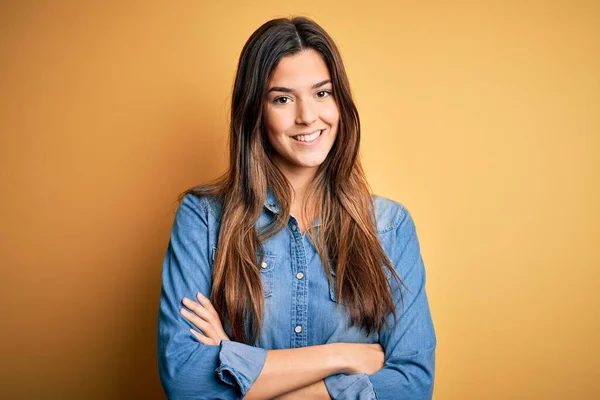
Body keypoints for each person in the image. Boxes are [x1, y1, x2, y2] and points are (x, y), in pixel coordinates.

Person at [157, 16, 436, 400]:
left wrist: (238, 366)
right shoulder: (204, 218)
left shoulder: (389, 226)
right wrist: (343, 357)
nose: (307, 116)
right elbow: (186, 382)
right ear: (256, 111)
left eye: (322, 93)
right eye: (282, 99)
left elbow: (412, 387)